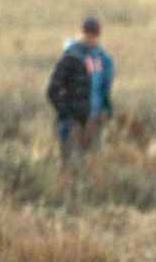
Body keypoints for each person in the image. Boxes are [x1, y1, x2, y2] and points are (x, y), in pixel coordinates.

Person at [45, 27, 93, 173]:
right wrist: (65, 112)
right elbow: (52, 91)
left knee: (73, 161)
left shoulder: (78, 62)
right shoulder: (71, 62)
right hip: (71, 120)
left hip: (78, 120)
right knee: (70, 161)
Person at [69, 16, 116, 151]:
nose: (89, 39)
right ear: (80, 34)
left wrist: (107, 110)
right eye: (86, 35)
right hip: (73, 115)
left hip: (94, 114)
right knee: (72, 153)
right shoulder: (71, 55)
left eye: (92, 35)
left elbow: (105, 87)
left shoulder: (103, 58)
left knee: (93, 152)